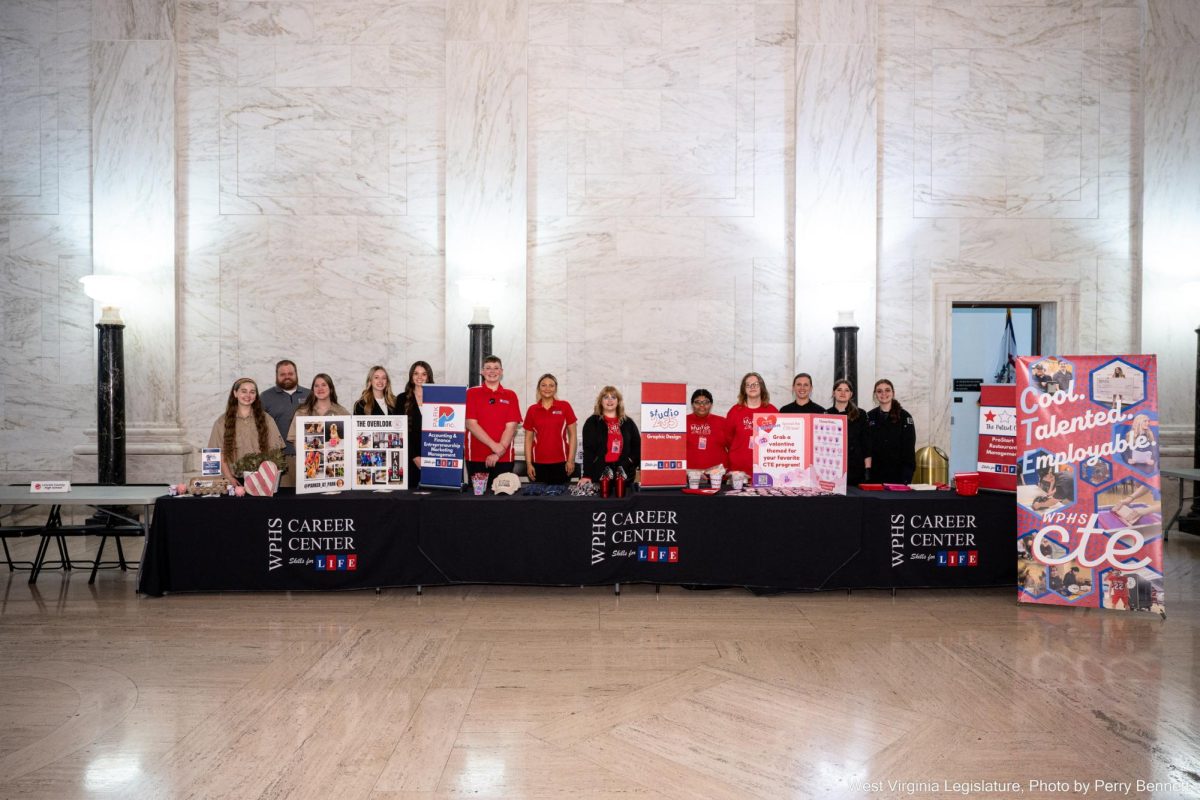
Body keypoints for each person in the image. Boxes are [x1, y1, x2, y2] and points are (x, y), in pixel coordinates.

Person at [207, 377, 285, 487]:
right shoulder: (221, 422)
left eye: (252, 392)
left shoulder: (267, 419)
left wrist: (268, 476)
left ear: (256, 396)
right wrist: (229, 477)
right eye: (244, 391)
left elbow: (275, 451)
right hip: (234, 481)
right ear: (235, 393)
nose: (248, 395)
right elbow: (219, 453)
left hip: (261, 480)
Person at [465, 355, 521, 490]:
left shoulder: (510, 395)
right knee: (478, 498)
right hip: (476, 457)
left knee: (503, 499)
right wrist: (494, 446)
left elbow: (511, 426)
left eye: (496, 368)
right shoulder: (471, 393)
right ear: (482, 372)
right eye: (488, 368)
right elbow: (470, 424)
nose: (492, 371)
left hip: (504, 458)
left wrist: (498, 452)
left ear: (501, 372)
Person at [260, 360, 311, 487]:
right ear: (276, 376)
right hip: (280, 459)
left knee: (310, 499)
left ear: (296, 374)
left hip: (308, 457)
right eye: (282, 374)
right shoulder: (265, 397)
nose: (287, 376)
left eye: (290, 373)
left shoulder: (310, 395)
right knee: (285, 500)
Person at [522, 373, 578, 485]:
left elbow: (573, 436)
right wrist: (528, 464)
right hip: (538, 463)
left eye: (551, 385)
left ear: (556, 388)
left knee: (560, 499)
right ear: (539, 388)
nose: (547, 388)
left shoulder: (565, 406)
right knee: (539, 500)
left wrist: (571, 460)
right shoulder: (532, 410)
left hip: (562, 462)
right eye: (543, 385)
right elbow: (528, 439)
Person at [580, 386, 640, 483]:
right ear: (601, 401)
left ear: (618, 401)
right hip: (600, 473)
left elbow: (637, 446)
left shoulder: (628, 422)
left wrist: (630, 461)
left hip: (624, 474)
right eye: (606, 397)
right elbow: (588, 451)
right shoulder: (592, 422)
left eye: (613, 397)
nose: (610, 400)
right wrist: (587, 475)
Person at [725, 372, 778, 476]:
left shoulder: (772, 411)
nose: (752, 387)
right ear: (743, 389)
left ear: (761, 387)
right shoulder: (734, 411)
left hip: (765, 468)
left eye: (756, 384)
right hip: (738, 469)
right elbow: (728, 439)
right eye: (748, 384)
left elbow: (776, 439)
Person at [866, 378, 915, 484]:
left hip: (898, 475)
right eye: (879, 391)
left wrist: (907, 475)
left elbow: (909, 450)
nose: (883, 393)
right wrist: (867, 473)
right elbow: (866, 447)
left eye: (887, 390)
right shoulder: (869, 416)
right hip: (875, 474)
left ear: (893, 393)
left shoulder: (905, 417)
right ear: (875, 394)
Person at [287, 373, 350, 450]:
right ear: (313, 390)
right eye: (316, 386)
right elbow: (294, 439)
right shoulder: (301, 412)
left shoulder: (342, 412)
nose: (320, 388)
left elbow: (350, 438)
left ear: (331, 389)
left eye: (324, 385)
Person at [825, 379, 870, 486]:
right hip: (832, 468)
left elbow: (866, 443)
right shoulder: (826, 414)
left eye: (846, 390)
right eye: (839, 390)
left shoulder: (861, 414)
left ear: (851, 394)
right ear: (833, 393)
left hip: (855, 468)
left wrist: (867, 469)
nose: (842, 393)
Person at [398, 360, 435, 487]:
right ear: (411, 376)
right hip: (410, 457)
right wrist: (414, 456)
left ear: (429, 377)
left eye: (424, 374)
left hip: (433, 454)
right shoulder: (401, 399)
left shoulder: (438, 397)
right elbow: (399, 431)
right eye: (416, 373)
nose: (419, 377)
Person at [686, 389, 727, 470]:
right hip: (691, 476)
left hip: (718, 476)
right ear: (692, 404)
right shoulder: (683, 421)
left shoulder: (722, 422)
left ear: (711, 404)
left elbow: (734, 447)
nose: (702, 405)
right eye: (697, 402)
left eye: (706, 402)